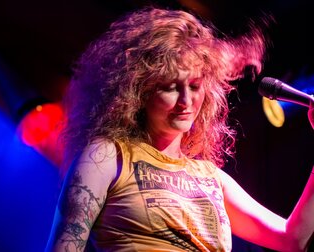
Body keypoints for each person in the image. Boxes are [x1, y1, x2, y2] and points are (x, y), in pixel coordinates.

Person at [46, 6, 314, 251]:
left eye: (195, 86)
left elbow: (293, 238)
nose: (186, 101)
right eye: (171, 87)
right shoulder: (107, 156)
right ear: (139, 91)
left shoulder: (212, 178)